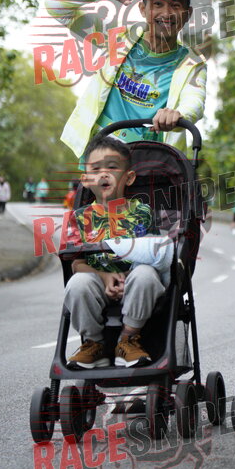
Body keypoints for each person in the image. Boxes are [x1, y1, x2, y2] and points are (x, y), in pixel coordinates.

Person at [46, 0, 207, 160]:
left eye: (175, 5)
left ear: (187, 14)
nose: (166, 13)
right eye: (158, 4)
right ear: (142, 9)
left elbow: (195, 102)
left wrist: (178, 114)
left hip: (152, 162)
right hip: (101, 156)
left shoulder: (192, 63)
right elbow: (56, 6)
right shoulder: (118, 37)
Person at [64, 135, 173, 369]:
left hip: (135, 281)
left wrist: (126, 277)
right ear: (85, 180)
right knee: (77, 283)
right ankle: (93, 343)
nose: (104, 174)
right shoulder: (78, 218)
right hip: (97, 281)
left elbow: (153, 255)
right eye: (96, 169)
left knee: (146, 274)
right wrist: (104, 277)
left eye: (112, 168)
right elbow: (76, 263)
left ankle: (128, 338)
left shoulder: (142, 212)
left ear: (129, 177)